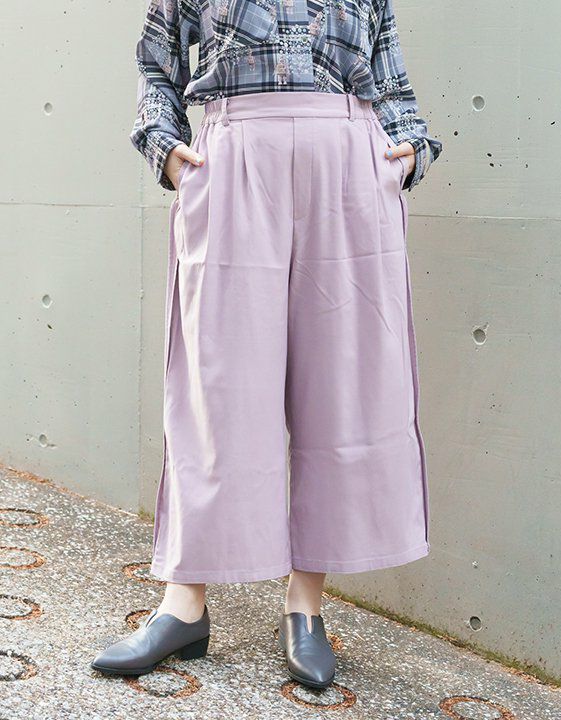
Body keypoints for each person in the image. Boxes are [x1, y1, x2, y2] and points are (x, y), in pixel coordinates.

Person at [91, 0, 442, 689]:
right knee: (217, 385)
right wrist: (166, 149)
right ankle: (183, 604)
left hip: (350, 164)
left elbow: (391, 80)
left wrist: (409, 148)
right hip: (233, 158)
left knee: (342, 387)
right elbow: (156, 66)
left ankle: (305, 604)